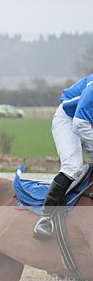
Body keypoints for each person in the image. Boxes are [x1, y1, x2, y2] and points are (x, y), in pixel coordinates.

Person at [34, 73, 93, 238]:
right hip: (69, 120)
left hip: (87, 122)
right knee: (72, 167)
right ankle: (46, 218)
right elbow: (80, 125)